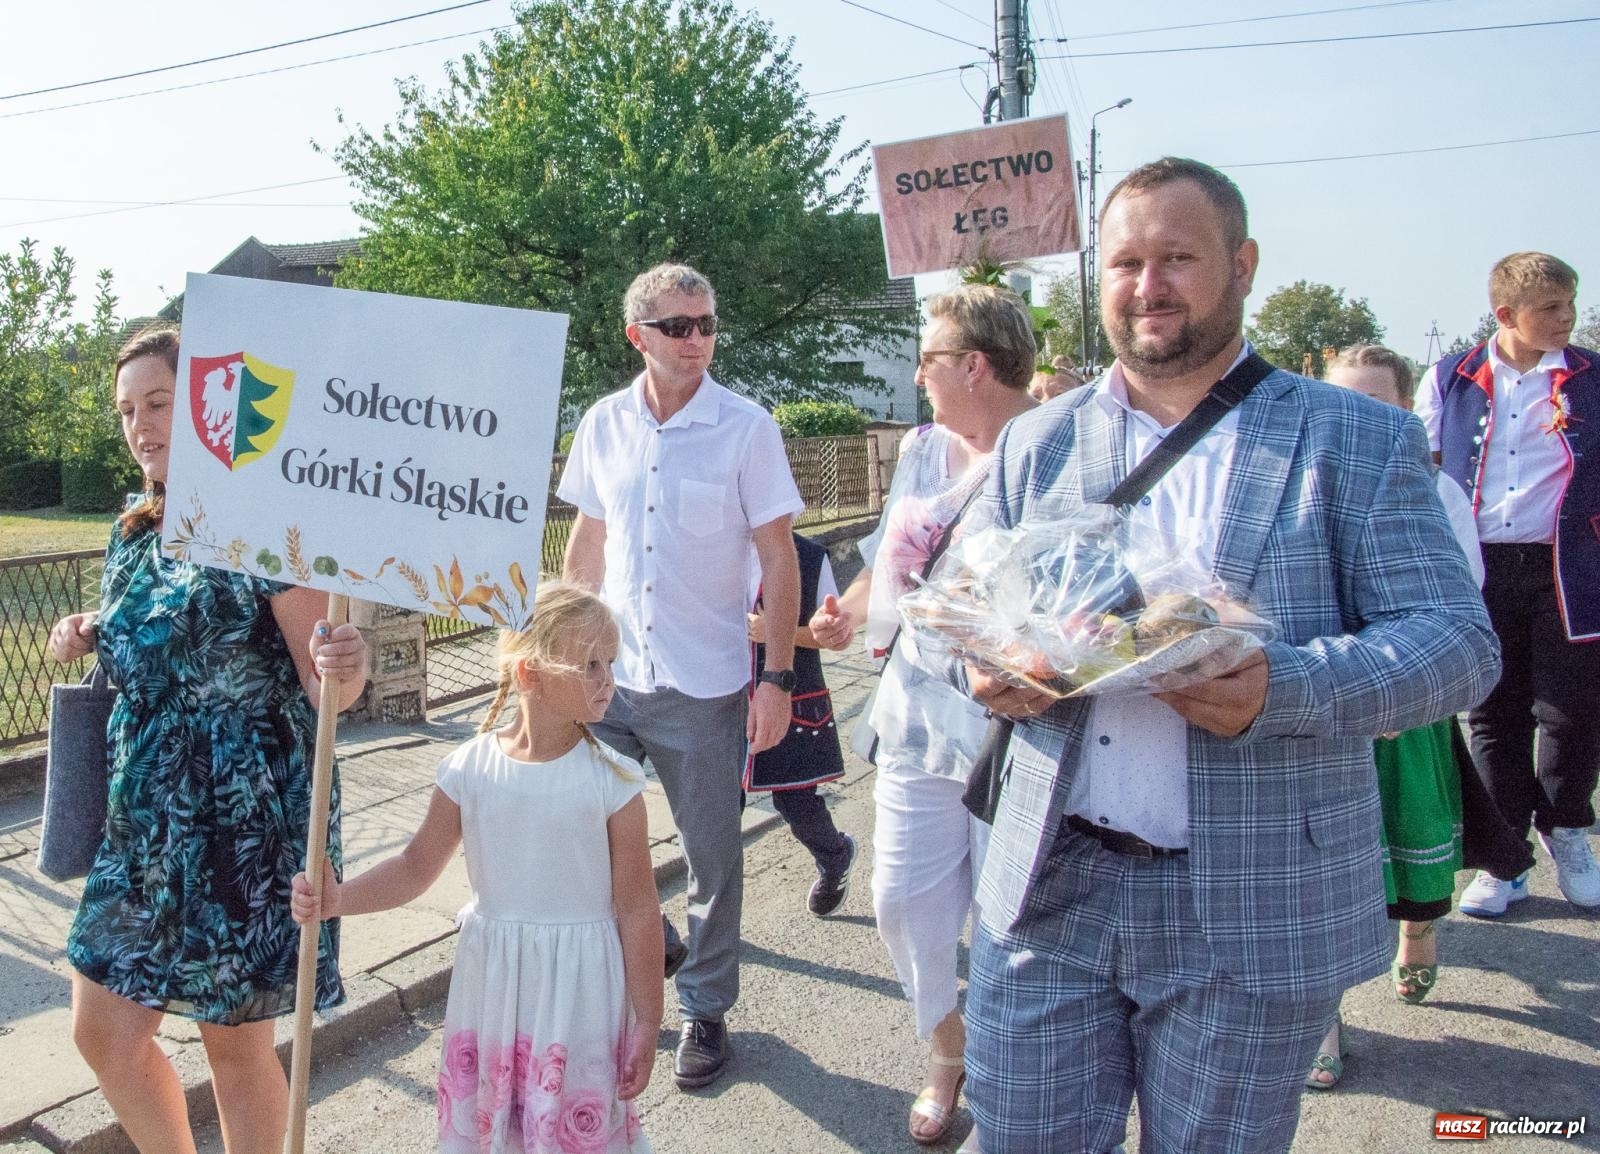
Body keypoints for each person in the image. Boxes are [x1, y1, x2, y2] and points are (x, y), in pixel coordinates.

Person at [955, 158, 1500, 1154]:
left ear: (1241, 265)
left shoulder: (1357, 440)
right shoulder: (1038, 442)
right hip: (1050, 882)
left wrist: (1283, 685)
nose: (1146, 285)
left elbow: (1458, 646)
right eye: (1124, 262)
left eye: (1177, 258)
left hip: (1249, 899)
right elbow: (965, 607)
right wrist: (986, 669)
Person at [47, 327, 368, 1154]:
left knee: (235, 1043)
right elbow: (152, 634)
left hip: (249, 821)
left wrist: (349, 660)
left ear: (202, 405)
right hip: (145, 824)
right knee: (102, 1029)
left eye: (158, 402)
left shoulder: (269, 515)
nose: (141, 426)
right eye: (126, 411)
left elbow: (327, 681)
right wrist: (87, 630)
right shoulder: (133, 532)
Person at [292, 583, 658, 1153]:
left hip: (581, 992)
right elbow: (415, 867)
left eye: (609, 662)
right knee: (497, 1129)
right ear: (530, 674)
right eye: (588, 665)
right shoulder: (469, 769)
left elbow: (638, 908)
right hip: (495, 986)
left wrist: (647, 1020)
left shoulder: (614, 783)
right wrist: (340, 900)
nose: (606, 679)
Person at [558, 262, 803, 1089]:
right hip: (609, 680)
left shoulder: (746, 428)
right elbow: (588, 543)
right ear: (639, 335)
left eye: (706, 324)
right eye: (678, 326)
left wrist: (778, 678)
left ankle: (704, 1008)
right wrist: (557, 648)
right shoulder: (603, 423)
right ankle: (655, 942)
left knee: (712, 858)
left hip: (703, 686)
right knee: (579, 833)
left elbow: (778, 556)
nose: (697, 339)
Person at [809, 283, 1037, 1145]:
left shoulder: (1052, 448)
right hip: (915, 717)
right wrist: (851, 609)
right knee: (901, 898)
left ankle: (1012, 1090)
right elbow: (893, 561)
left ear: (972, 365)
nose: (917, 374)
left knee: (1010, 919)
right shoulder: (921, 449)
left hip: (1014, 727)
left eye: (929, 359)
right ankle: (948, 1046)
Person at [1302, 344, 1490, 1088]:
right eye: (1340, 401)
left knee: (1409, 836)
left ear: (1405, 410)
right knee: (1309, 871)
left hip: (1401, 707)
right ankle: (1321, 1015)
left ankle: (1417, 930)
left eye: (1374, 404)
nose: (1355, 420)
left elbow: (1459, 593)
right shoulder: (1300, 482)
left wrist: (1395, 682)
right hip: (1318, 704)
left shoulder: (1432, 488)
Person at [1414, 252, 1600, 917]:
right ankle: (1504, 858)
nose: (1566, 318)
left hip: (1569, 566)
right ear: (1506, 315)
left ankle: (1569, 830)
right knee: (1493, 712)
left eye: (1571, 305)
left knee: (1574, 710)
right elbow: (1424, 469)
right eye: (1551, 307)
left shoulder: (1591, 377)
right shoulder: (1450, 378)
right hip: (1481, 564)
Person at [745, 532, 858, 917]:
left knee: (796, 803)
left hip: (792, 701)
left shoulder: (810, 556)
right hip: (727, 704)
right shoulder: (717, 547)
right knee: (718, 813)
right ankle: (714, 920)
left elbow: (831, 637)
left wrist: (774, 632)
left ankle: (835, 856)